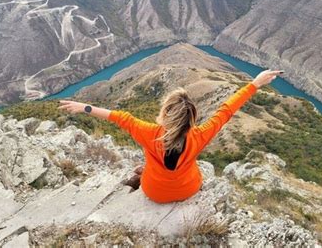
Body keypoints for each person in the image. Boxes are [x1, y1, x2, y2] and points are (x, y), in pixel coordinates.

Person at [58, 69, 283, 204]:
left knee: (144, 168)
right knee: (186, 167)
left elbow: (118, 116)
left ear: (165, 114)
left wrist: (83, 107)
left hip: (154, 192)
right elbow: (226, 110)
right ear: (190, 119)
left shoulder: (149, 133)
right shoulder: (200, 135)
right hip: (188, 189)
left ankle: (140, 176)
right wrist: (255, 83)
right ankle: (149, 173)